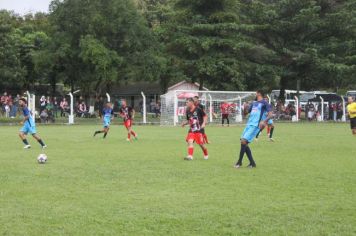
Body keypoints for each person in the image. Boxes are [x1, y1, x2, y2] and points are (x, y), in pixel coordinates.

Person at [235, 90, 272, 168]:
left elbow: (270, 115)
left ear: (259, 93)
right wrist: (244, 108)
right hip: (249, 124)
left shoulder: (264, 103)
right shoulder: (254, 103)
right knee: (244, 143)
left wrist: (264, 121)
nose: (255, 94)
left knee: (243, 141)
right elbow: (245, 114)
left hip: (255, 125)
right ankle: (252, 163)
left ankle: (239, 162)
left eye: (256, 93)